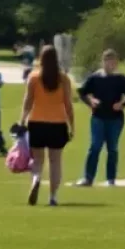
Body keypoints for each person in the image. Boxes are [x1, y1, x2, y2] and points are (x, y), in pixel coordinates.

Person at [76, 49, 125, 187]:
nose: (110, 64)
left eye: (113, 61)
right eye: (107, 60)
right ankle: (88, 178)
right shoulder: (95, 78)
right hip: (98, 117)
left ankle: (111, 179)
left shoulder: (121, 79)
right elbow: (82, 92)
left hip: (115, 119)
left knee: (112, 148)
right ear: (103, 62)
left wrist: (123, 104)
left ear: (116, 63)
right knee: (95, 147)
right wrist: (91, 102)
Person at [20, 45, 74, 207]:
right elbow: (68, 104)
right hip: (57, 123)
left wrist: (22, 120)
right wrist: (72, 125)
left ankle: (36, 178)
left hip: (36, 122)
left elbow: (28, 101)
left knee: (37, 160)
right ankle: (53, 196)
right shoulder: (63, 78)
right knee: (55, 161)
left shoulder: (34, 77)